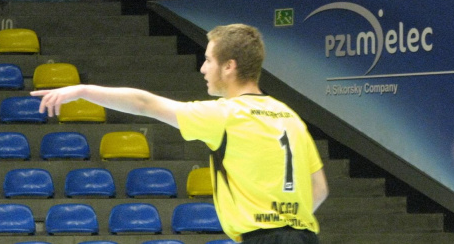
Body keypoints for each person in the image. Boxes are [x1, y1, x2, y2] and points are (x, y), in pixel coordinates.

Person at [31, 23, 329, 243]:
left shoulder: (225, 114)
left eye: (209, 60)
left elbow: (144, 103)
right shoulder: (290, 116)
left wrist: (82, 90)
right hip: (304, 236)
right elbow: (320, 190)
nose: (202, 68)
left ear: (229, 66)